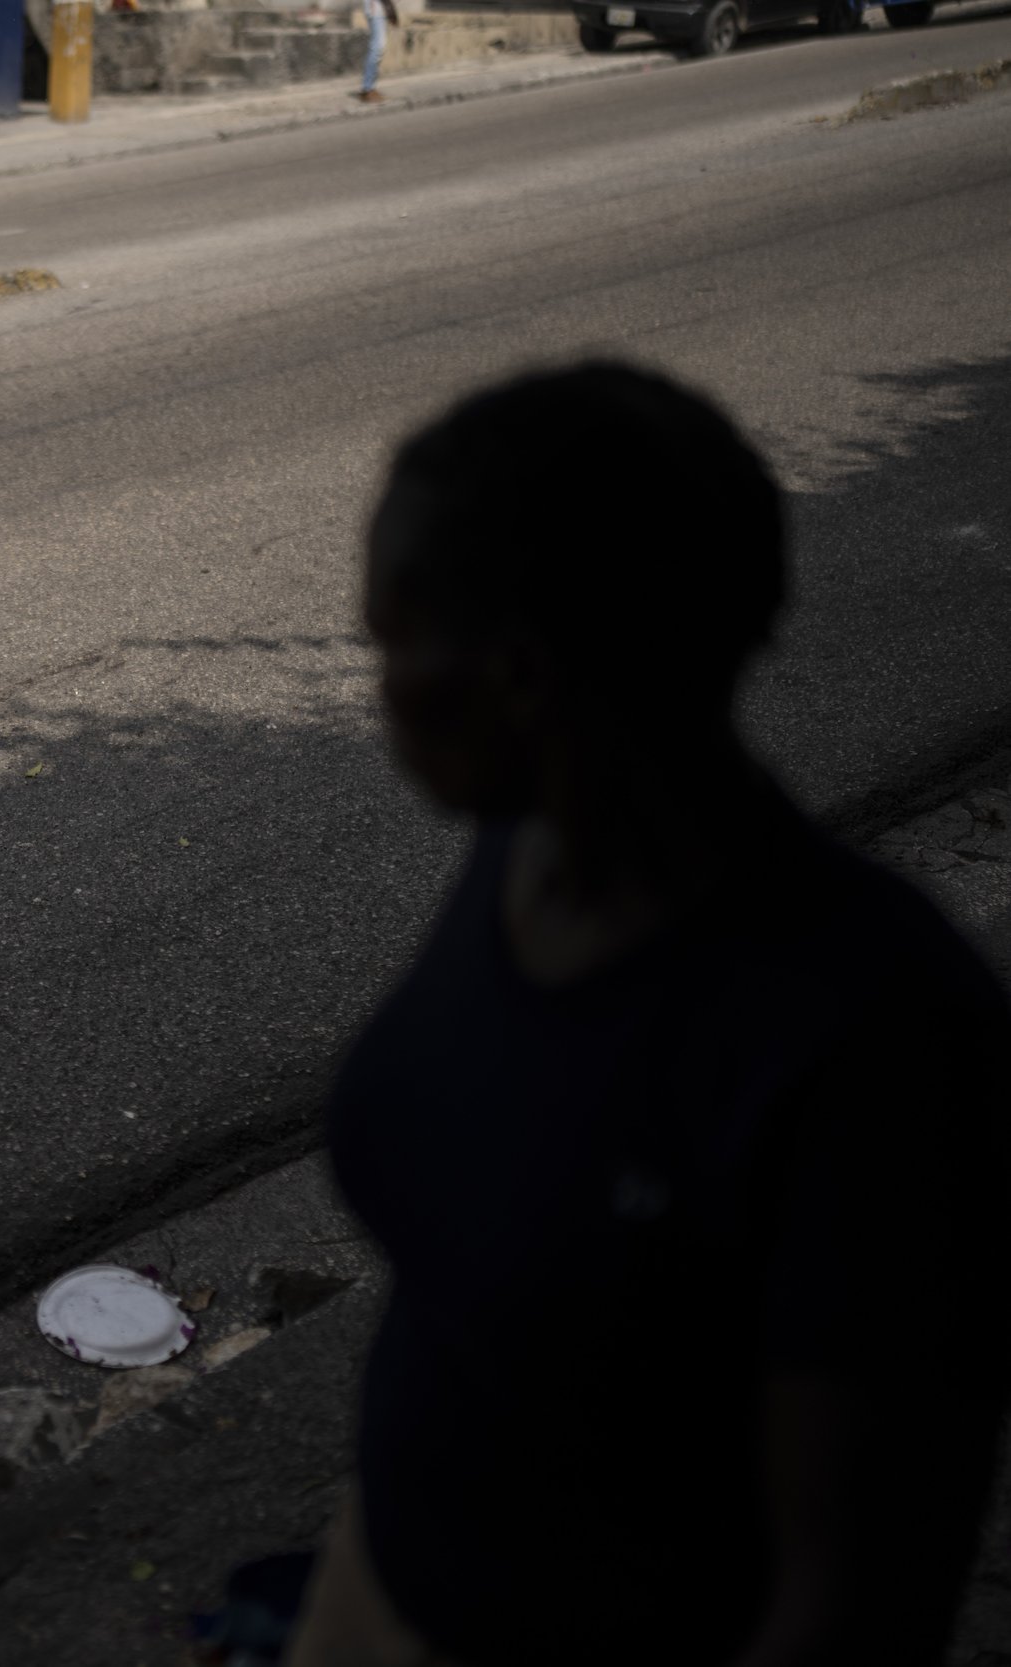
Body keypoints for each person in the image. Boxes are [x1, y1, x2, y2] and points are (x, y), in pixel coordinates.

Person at [291, 363, 1011, 1664]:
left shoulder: (874, 1038)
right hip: (383, 1581)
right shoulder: (520, 852)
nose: (378, 685)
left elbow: (855, 1598)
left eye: (392, 640)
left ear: (520, 675)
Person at [356, 0, 398, 104]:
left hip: (379, 11)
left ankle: (370, 87)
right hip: (375, 10)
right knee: (377, 49)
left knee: (378, 49)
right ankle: (368, 89)